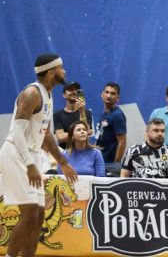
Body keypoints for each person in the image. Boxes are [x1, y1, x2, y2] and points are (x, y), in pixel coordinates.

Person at [0, 54, 78, 257]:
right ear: (51, 72)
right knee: (30, 214)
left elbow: (47, 137)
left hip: (31, 154)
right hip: (16, 153)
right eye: (62, 68)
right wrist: (30, 165)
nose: (65, 71)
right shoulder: (32, 93)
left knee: (40, 214)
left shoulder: (48, 94)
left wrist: (64, 162)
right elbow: (17, 132)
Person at [53, 81, 93, 149]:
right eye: (70, 90)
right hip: (65, 153)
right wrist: (80, 135)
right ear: (64, 95)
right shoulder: (57, 115)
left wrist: (82, 112)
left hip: (83, 151)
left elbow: (88, 132)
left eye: (76, 90)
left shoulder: (87, 112)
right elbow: (61, 137)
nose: (74, 92)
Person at [95, 82, 127, 164]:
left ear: (118, 98)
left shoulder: (117, 115)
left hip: (109, 163)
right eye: (106, 92)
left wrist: (115, 165)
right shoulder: (104, 114)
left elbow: (122, 142)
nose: (108, 96)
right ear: (102, 94)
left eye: (112, 93)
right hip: (100, 161)